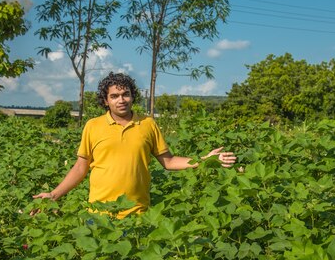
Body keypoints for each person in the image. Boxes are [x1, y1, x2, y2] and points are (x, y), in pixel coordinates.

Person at [33, 72, 236, 218]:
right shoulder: (93, 126)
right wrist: (53, 194)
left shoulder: (147, 124)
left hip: (137, 214)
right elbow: (80, 167)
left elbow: (170, 161)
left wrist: (205, 161)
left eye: (126, 94)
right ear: (105, 101)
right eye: (114, 96)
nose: (121, 100)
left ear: (132, 96)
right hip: (98, 215)